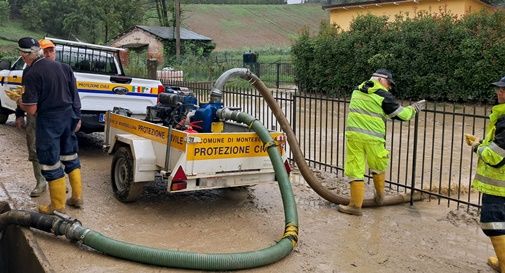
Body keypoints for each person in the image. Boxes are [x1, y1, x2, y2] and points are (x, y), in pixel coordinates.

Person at [338, 68, 425, 216]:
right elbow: (401, 115)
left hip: (354, 137)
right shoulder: (383, 96)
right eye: (389, 83)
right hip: (374, 139)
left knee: (355, 169)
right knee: (378, 166)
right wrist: (414, 109)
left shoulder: (356, 91)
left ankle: (355, 206)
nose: (389, 87)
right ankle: (380, 198)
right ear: (379, 79)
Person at [17, 37, 83, 214]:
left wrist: (20, 103)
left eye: (22, 55)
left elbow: (31, 109)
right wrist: (77, 116)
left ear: (25, 55)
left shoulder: (32, 73)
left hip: (49, 121)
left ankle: (57, 206)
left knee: (50, 162)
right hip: (67, 117)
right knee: (70, 156)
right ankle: (77, 197)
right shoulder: (62, 67)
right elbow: (73, 94)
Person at [465, 76, 505, 273]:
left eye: (504, 90)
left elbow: (496, 156)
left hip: (499, 186)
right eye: (499, 89)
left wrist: (476, 146)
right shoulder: (500, 116)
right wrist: (482, 142)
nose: (499, 92)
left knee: (492, 223)